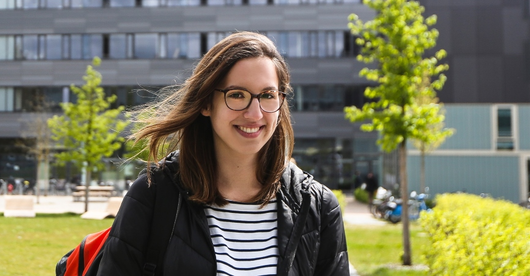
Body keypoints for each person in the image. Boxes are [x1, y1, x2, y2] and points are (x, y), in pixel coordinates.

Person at [98, 32, 348, 275]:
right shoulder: (153, 195)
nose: (255, 113)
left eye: (268, 95)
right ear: (206, 103)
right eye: (237, 95)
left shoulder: (318, 206)